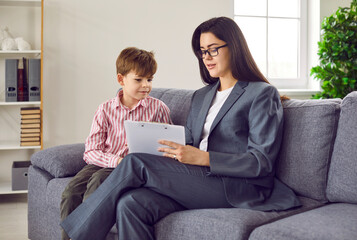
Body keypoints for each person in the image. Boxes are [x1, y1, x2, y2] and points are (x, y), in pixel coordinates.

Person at [61, 17, 301, 240]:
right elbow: (187, 140)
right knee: (131, 203)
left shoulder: (260, 93)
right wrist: (158, 138)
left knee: (135, 162)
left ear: (235, 47)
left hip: (237, 186)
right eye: (203, 51)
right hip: (197, 180)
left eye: (213, 49)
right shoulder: (201, 96)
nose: (207, 57)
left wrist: (205, 158)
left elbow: (261, 161)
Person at [60, 47, 172, 240]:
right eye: (139, 79)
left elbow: (167, 144)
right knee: (70, 192)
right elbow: (91, 151)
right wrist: (116, 161)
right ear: (121, 80)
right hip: (105, 161)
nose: (146, 85)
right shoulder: (105, 109)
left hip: (132, 167)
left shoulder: (158, 109)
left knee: (97, 183)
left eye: (150, 79)